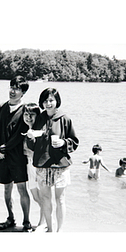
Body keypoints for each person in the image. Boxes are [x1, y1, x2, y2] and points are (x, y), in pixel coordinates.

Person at [26, 88, 79, 232]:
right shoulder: (39, 119)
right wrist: (30, 137)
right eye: (45, 100)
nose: (48, 103)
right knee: (45, 199)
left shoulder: (65, 119)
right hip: (42, 165)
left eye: (51, 100)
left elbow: (74, 142)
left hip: (60, 165)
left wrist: (63, 143)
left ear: (57, 101)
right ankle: (49, 229)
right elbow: (32, 145)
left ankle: (59, 231)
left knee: (60, 199)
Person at [0, 75, 32, 232]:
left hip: (17, 156)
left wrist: (4, 148)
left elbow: (20, 134)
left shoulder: (25, 110)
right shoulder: (1, 107)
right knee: (6, 189)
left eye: (17, 89)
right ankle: (10, 218)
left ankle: (27, 222)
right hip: (1, 155)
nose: (13, 91)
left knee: (22, 188)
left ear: (23, 93)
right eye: (12, 87)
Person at [22, 103, 45, 227]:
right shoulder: (24, 130)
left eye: (32, 115)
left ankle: (42, 223)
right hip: (29, 166)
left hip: (38, 168)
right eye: (26, 114)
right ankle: (45, 220)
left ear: (38, 116)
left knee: (42, 197)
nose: (28, 117)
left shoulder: (39, 131)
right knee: (36, 197)